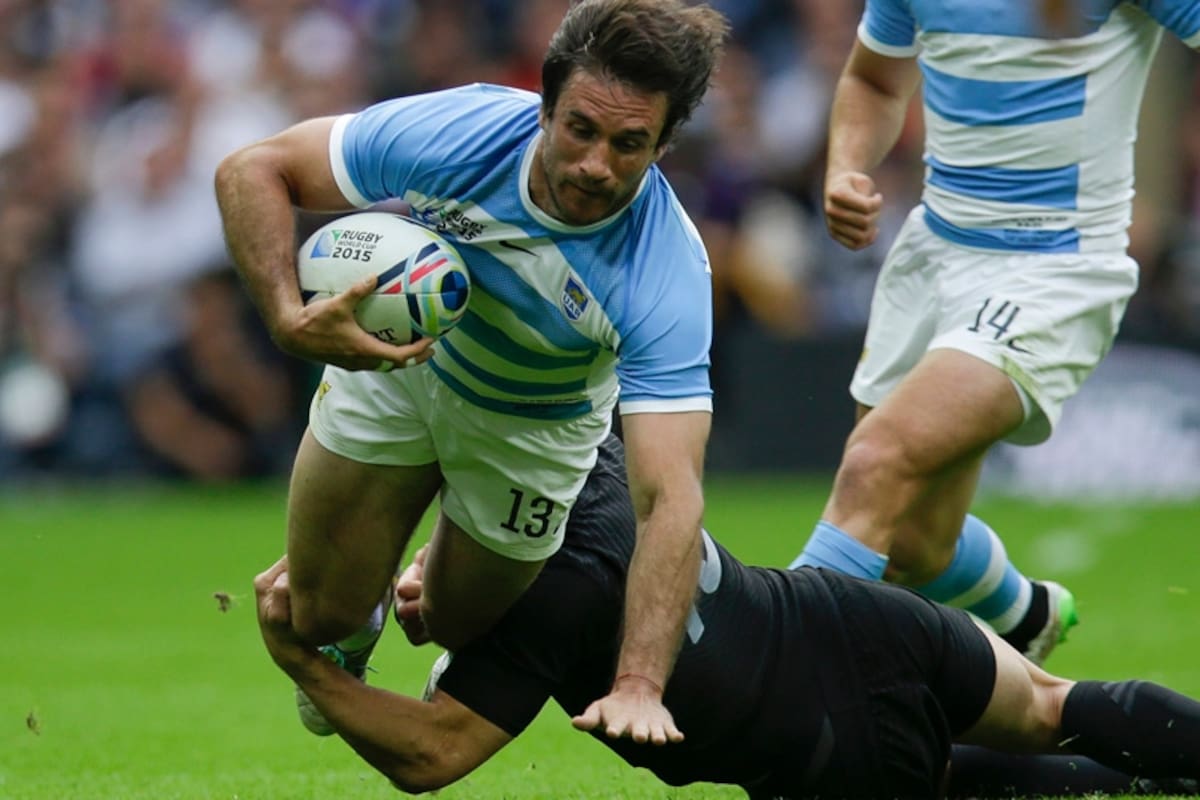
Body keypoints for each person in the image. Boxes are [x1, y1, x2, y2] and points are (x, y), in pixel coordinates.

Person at [214, 0, 729, 742]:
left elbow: (669, 500)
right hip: (401, 366)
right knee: (316, 614)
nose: (595, 164)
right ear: (545, 107)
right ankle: (354, 628)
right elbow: (253, 168)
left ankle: (432, 576)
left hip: (535, 426)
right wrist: (288, 318)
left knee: (450, 622)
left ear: (663, 144)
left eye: (628, 143)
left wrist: (640, 686)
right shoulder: (465, 131)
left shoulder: (665, 274)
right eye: (580, 129)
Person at [254, 434, 1200, 799]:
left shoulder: (548, 601)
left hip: (825, 749)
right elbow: (499, 520)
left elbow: (433, 754)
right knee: (1051, 705)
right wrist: (441, 584)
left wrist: (308, 664)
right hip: (855, 619)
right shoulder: (587, 460)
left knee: (947, 776)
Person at [787, 0, 1200, 662]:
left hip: (1055, 270)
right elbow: (874, 79)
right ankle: (1025, 614)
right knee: (913, 544)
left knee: (875, 464)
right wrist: (845, 168)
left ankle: (767, 665)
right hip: (934, 255)